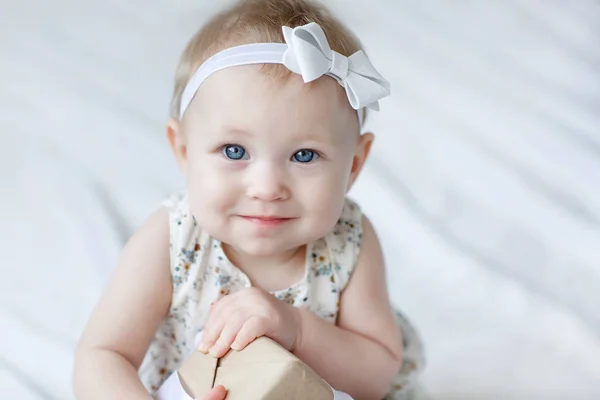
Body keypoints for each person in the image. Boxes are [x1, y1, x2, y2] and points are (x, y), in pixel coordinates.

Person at [73, 1, 425, 399]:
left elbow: (375, 376)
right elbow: (102, 355)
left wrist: (297, 327)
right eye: (235, 151)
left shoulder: (349, 242)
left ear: (354, 165)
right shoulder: (172, 239)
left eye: (304, 155)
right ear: (184, 151)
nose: (266, 187)